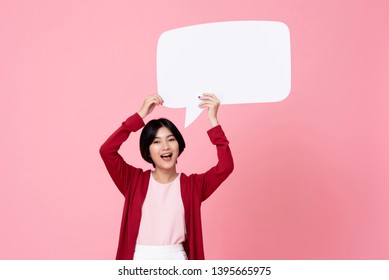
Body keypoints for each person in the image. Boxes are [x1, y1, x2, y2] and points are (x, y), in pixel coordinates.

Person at [99, 93, 234, 260]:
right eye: (156, 142)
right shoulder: (133, 181)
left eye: (171, 139)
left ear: (179, 145)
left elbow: (226, 166)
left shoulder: (193, 186)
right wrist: (140, 115)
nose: (165, 147)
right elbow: (107, 151)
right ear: (147, 150)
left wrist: (213, 120)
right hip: (139, 260)